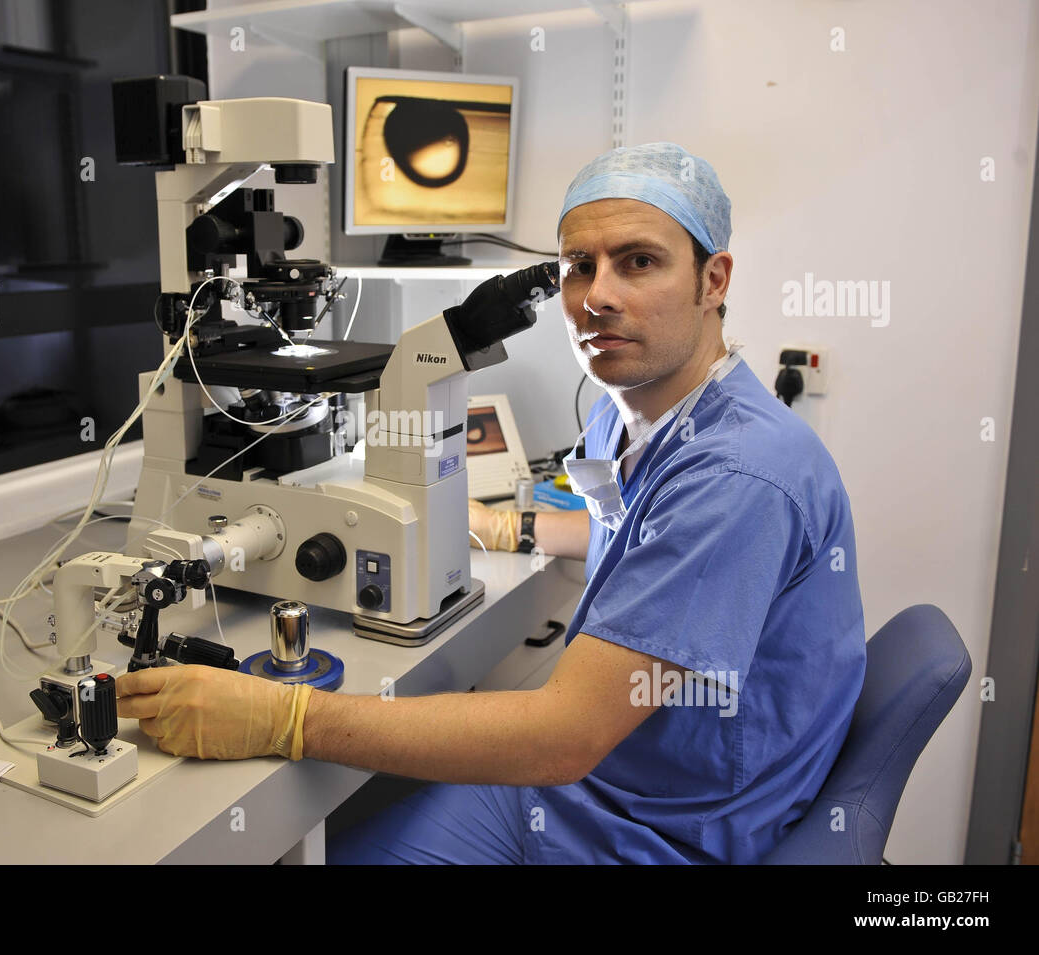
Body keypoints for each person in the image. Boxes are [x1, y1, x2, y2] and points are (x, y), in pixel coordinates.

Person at [115, 143, 867, 864]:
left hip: (658, 828)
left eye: (639, 261)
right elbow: (634, 536)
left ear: (714, 280)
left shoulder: (739, 474)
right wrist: (509, 525)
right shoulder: (637, 409)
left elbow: (563, 736)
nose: (597, 295)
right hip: (626, 779)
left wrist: (284, 718)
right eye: (578, 267)